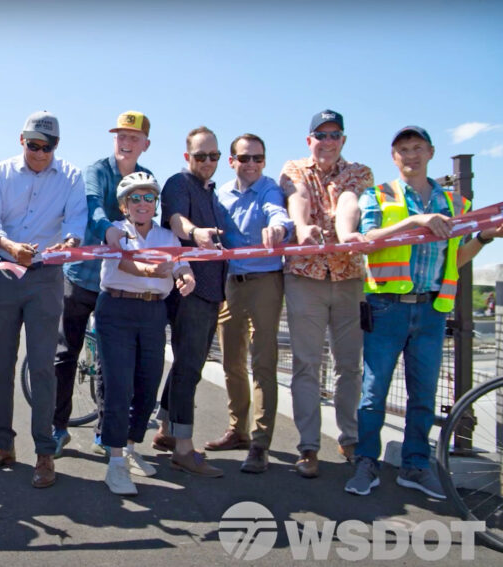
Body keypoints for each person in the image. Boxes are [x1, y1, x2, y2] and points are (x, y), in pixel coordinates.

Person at [345, 126, 502, 498]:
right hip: (386, 308)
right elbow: (366, 244)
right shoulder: (378, 196)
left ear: (430, 152)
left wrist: (481, 238)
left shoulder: (455, 204)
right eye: (403, 150)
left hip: (432, 309)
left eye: (417, 148)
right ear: (393, 156)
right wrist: (414, 222)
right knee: (373, 392)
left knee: (423, 394)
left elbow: (458, 258)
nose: (411, 155)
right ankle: (366, 461)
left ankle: (415, 465)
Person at [0, 110, 86, 488]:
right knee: (0, 366)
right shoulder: (0, 173)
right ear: (20, 140)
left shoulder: (71, 176)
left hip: (46, 278)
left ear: (57, 145)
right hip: (5, 274)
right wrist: (8, 245)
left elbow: (76, 222)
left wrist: (69, 243)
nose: (40, 153)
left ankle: (44, 453)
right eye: (33, 144)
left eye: (48, 146)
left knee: (42, 367)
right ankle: (2, 445)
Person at [278, 110, 373, 478]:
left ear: (343, 140)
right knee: (306, 364)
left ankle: (349, 438)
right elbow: (298, 196)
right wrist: (302, 228)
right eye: (321, 134)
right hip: (306, 278)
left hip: (348, 277)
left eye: (335, 135)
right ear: (309, 140)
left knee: (349, 365)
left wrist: (346, 233)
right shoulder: (295, 168)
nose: (328, 142)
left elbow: (349, 199)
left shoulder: (359, 172)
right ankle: (308, 446)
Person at [54, 111, 153, 457]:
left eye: (133, 138)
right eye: (120, 136)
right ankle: (57, 427)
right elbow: (93, 206)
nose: (125, 143)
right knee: (66, 352)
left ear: (145, 144)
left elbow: (151, 223)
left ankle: (104, 432)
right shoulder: (96, 171)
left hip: (120, 284)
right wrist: (109, 229)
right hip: (81, 277)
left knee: (112, 361)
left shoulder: (146, 178)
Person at [98, 172, 194, 496]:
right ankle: (114, 462)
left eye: (149, 198)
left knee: (148, 384)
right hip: (116, 309)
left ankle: (129, 447)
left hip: (154, 311)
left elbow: (181, 265)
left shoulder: (168, 237)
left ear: (156, 204)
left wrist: (185, 278)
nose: (142, 203)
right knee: (119, 386)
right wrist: (150, 270)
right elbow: (123, 263)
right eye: (135, 198)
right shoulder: (116, 232)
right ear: (124, 205)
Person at [209, 134, 293, 474]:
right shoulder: (221, 195)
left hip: (265, 283)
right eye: (245, 159)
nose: (252, 164)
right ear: (232, 162)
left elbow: (278, 215)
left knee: (263, 362)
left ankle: (260, 442)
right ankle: (238, 430)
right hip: (231, 282)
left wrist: (278, 227)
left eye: (258, 158)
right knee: (231, 361)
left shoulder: (270, 190)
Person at [152, 126, 226, 478]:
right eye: (200, 156)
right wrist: (195, 233)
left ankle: (166, 430)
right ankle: (183, 447)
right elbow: (177, 221)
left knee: (186, 365)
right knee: (189, 368)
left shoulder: (211, 193)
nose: (208, 162)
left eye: (214, 156)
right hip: (190, 292)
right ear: (187, 157)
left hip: (212, 292)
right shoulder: (179, 184)